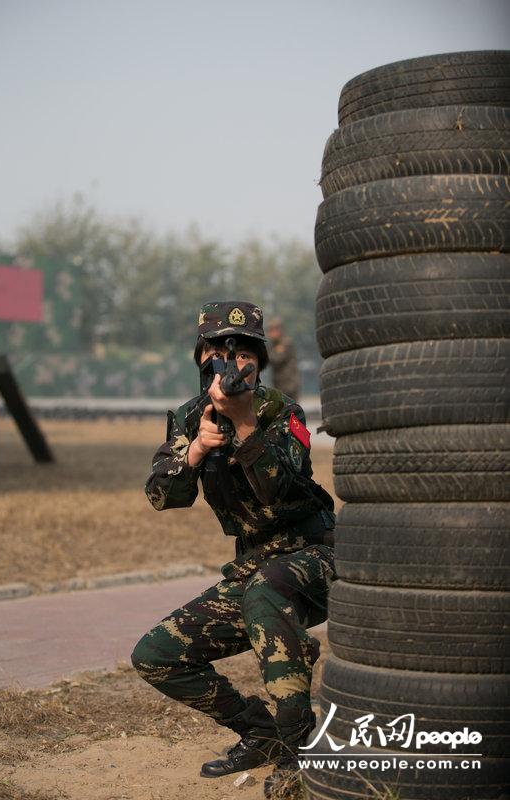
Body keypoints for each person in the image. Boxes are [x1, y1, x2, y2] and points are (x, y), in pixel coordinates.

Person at [131, 301, 335, 798]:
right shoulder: (187, 417)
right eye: (221, 351)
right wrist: (198, 449)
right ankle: (262, 732)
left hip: (316, 554)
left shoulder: (278, 410)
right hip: (255, 565)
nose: (233, 362)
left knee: (266, 594)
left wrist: (245, 426)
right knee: (157, 654)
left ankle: (296, 748)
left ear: (260, 362)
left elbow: (283, 493)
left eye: (245, 353)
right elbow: (163, 496)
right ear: (202, 357)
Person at [266, 317, 301, 403]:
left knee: (291, 411)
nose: (271, 334)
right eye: (270, 330)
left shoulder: (286, 343)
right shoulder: (273, 346)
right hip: (279, 385)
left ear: (279, 330)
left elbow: (276, 359)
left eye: (273, 330)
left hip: (289, 384)